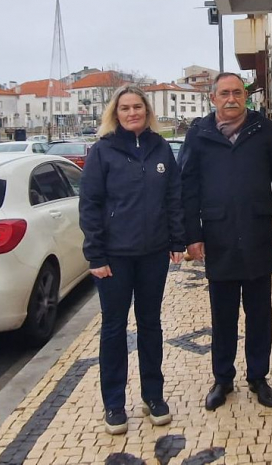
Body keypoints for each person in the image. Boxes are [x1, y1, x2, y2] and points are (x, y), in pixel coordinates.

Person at [180, 72, 272, 411]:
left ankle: (258, 376)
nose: (232, 99)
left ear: (246, 97)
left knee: (260, 313)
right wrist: (192, 236)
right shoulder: (199, 135)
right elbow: (188, 189)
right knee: (223, 315)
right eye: (225, 93)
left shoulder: (263, 130)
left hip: (258, 232)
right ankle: (223, 379)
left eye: (238, 93)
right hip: (218, 237)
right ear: (213, 98)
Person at [79, 85, 185, 435]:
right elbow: (90, 205)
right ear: (115, 113)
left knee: (151, 325)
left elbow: (174, 197)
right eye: (124, 108)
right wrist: (95, 255)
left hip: (153, 254)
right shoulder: (102, 151)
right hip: (114, 259)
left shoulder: (160, 148)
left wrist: (176, 241)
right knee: (113, 328)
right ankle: (114, 403)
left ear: (146, 110)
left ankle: (153, 396)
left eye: (137, 107)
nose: (131, 113)